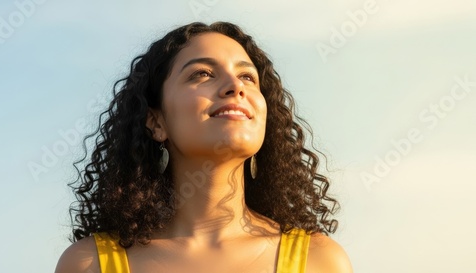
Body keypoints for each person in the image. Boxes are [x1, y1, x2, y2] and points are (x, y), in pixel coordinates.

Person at [55, 21, 353, 273]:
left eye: (247, 77)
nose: (235, 87)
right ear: (156, 122)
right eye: (202, 74)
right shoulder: (89, 264)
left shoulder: (319, 260)